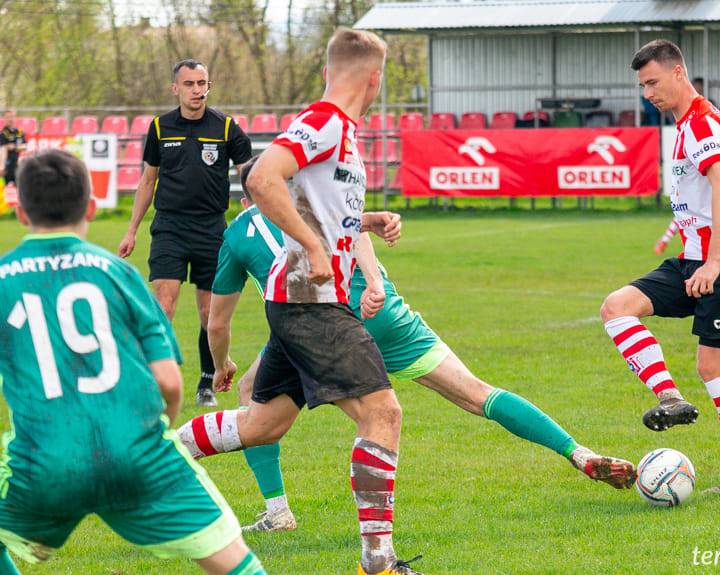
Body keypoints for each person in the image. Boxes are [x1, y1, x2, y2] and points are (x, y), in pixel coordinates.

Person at [184, 157, 637, 533]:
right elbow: (354, 226)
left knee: (275, 401)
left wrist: (220, 362)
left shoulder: (238, 233)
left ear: (247, 198)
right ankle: (579, 453)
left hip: (321, 326)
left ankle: (282, 512)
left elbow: (216, 320)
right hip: (385, 313)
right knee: (478, 394)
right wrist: (377, 285)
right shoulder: (311, 196)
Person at [173, 28, 420, 575]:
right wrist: (312, 246)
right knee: (383, 413)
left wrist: (366, 222)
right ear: (375, 78)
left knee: (263, 425)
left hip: (297, 303)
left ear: (331, 70)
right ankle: (378, 563)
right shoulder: (325, 121)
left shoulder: (343, 131)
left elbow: (314, 203)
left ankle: (159, 455)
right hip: (312, 302)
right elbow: (263, 178)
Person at [0, 150, 266, 574]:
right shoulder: (117, 274)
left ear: (19, 212)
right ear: (89, 206)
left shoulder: (4, 278)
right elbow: (169, 383)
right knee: (232, 559)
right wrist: (145, 438)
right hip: (135, 454)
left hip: (44, 461)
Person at [602, 40, 720, 493]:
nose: (647, 93)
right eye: (642, 86)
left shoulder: (702, 124)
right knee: (617, 307)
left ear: (678, 72)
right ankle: (669, 397)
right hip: (699, 257)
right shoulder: (704, 121)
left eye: (652, 82)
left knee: (713, 367)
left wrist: (712, 263)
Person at [117, 59, 253, 407]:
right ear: (175, 88)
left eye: (202, 83)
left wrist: (253, 203)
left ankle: (207, 381)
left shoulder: (225, 127)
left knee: (210, 314)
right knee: (163, 305)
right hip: (169, 227)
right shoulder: (161, 128)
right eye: (189, 84)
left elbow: (250, 172)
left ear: (209, 85)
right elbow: (148, 180)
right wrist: (131, 229)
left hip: (211, 228)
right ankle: (157, 381)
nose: (197, 90)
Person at [0, 109, 27, 187]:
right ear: (4, 119)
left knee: (19, 189)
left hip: (17, 166)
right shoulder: (3, 133)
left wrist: (14, 147)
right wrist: (1, 167)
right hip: (6, 167)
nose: (10, 119)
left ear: (15, 118)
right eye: (8, 117)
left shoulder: (19, 132)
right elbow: (2, 149)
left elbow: (24, 147)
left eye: (12, 117)